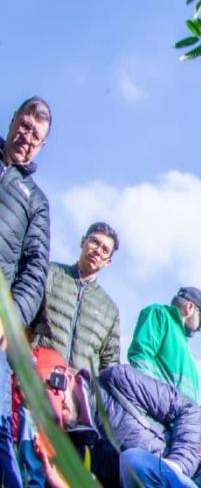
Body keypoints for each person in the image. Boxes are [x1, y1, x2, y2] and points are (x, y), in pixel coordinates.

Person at [29, 348, 201, 488]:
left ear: (66, 377)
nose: (54, 406)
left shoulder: (117, 381)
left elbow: (188, 409)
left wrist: (176, 465)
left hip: (171, 479)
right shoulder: (65, 452)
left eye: (51, 394)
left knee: (134, 461)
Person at [0, 96, 52, 487]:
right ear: (13, 120)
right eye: (24, 125)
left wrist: (12, 318)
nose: (27, 137)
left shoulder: (36, 200)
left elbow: (35, 268)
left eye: (36, 135)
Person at [32, 222, 121, 374]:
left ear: (108, 262)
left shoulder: (110, 310)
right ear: (83, 242)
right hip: (36, 377)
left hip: (77, 393)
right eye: (94, 242)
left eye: (105, 250)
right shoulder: (49, 273)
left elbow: (110, 365)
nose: (98, 251)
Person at [127, 286, 201, 401]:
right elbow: (141, 358)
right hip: (157, 410)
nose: (199, 327)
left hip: (180, 416)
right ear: (189, 308)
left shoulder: (184, 348)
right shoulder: (160, 314)